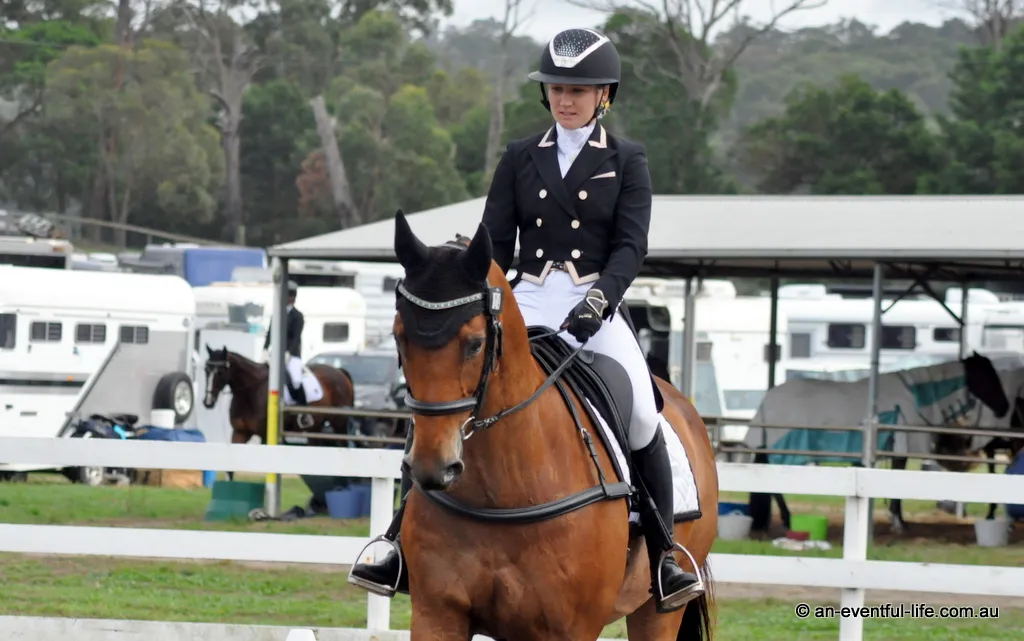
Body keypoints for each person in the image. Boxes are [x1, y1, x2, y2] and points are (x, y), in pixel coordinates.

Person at [348, 27, 702, 613]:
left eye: (579, 91)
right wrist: (466, 269)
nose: (566, 100)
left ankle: (664, 553)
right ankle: (395, 542)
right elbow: (497, 241)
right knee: (452, 398)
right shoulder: (520, 156)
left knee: (642, 410)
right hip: (527, 297)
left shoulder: (626, 159)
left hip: (596, 302)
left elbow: (630, 246)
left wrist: (599, 301)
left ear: (603, 96)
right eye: (559, 89)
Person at [263, 280, 313, 429]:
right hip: (276, 354)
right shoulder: (276, 314)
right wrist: (265, 349)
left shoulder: (298, 316)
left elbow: (296, 336)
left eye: (289, 296)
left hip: (292, 355)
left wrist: (289, 352)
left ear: (292, 298)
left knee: (296, 380)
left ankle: (304, 412)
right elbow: (270, 333)